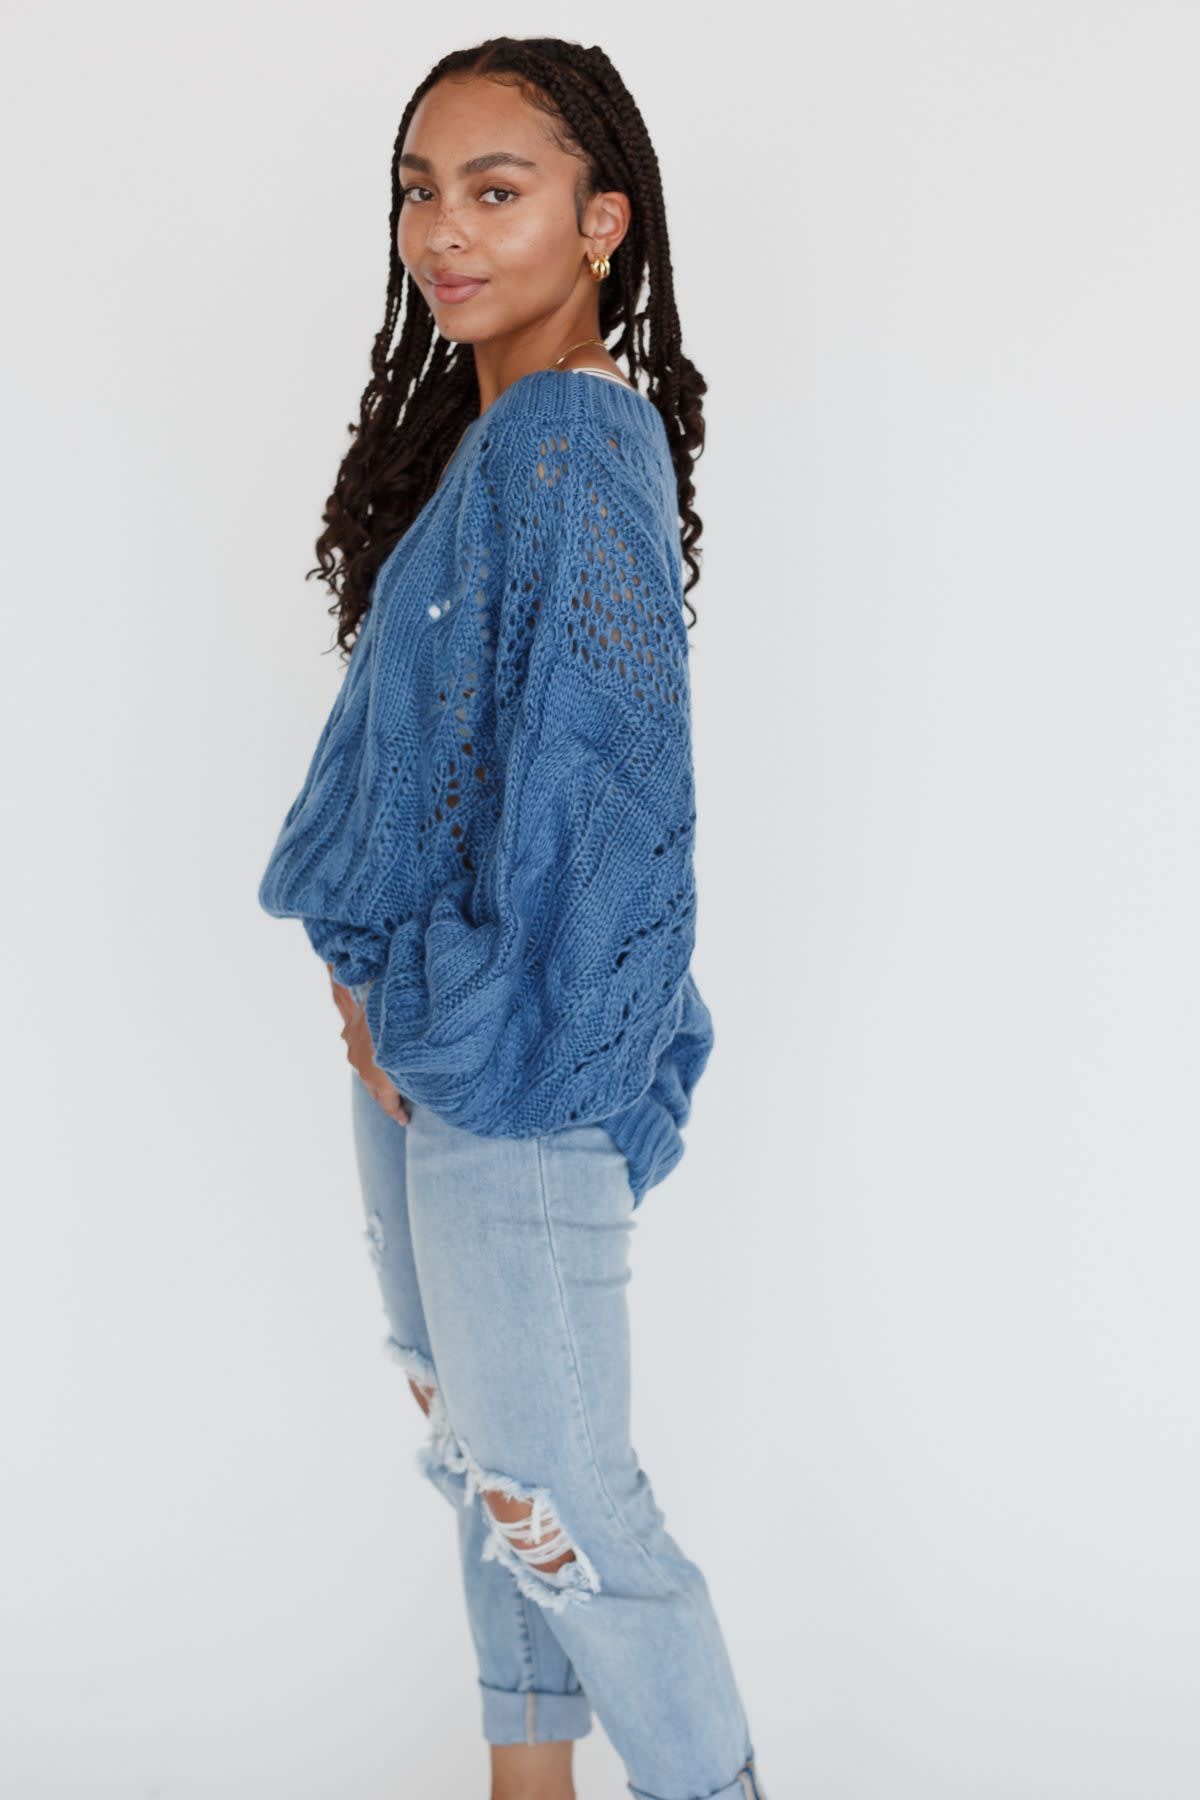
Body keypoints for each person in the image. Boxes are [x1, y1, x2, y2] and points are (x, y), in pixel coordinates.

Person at [258, 35, 766, 1800]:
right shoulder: (496, 446)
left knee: (563, 1490)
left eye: (497, 190)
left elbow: (604, 816)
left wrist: (432, 1006)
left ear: (601, 221)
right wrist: (382, 996)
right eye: (421, 191)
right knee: (493, 1463)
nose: (444, 232)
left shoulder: (567, 442)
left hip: (511, 1061)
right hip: (429, 1051)